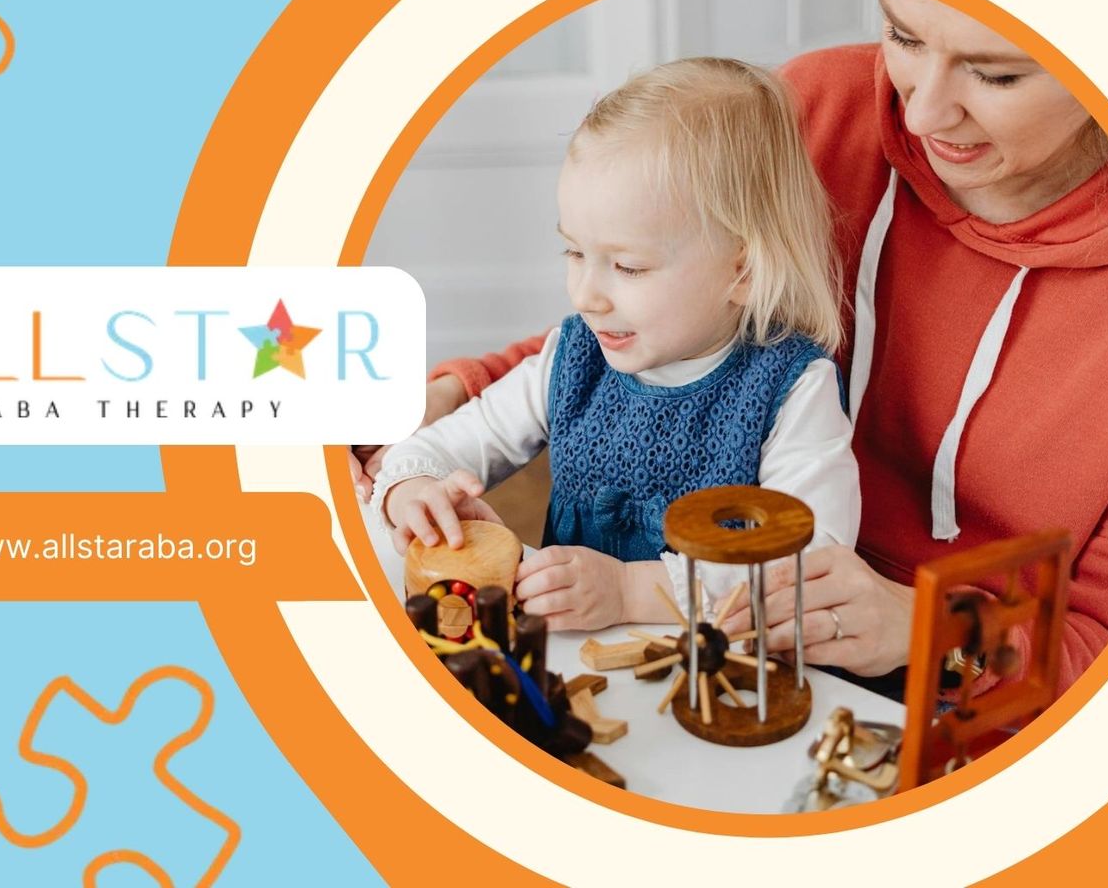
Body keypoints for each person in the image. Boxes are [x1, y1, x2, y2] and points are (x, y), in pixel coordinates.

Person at [373, 0, 1108, 695]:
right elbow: (631, 330)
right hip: (608, 651)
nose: (925, 109)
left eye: (997, 71)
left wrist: (927, 631)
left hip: (934, 694)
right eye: (902, 35)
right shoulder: (800, 112)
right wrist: (438, 416)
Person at [369, 58, 862, 631]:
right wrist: (411, 487)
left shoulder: (792, 388)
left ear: (743, 271)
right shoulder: (574, 356)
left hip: (709, 677)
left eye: (627, 267)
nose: (586, 296)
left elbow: (813, 564)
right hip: (573, 665)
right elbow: (438, 447)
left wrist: (633, 592)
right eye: (575, 253)